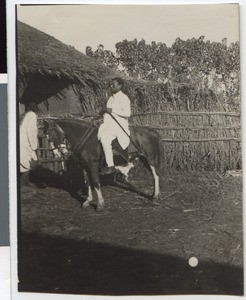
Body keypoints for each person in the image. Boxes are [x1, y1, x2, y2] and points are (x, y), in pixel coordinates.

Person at [98, 77, 131, 174]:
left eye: (114, 85)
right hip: (109, 125)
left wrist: (112, 110)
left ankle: (110, 165)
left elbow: (127, 113)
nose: (111, 86)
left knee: (104, 139)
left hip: (119, 126)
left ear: (120, 86)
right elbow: (108, 113)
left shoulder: (124, 98)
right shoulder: (111, 98)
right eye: (111, 85)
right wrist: (103, 113)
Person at [19, 102, 39, 186]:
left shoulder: (24, 114)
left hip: (21, 139)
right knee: (28, 161)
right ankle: (25, 183)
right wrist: (34, 145)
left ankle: (24, 182)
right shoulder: (32, 115)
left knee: (23, 161)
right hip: (26, 141)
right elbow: (31, 131)